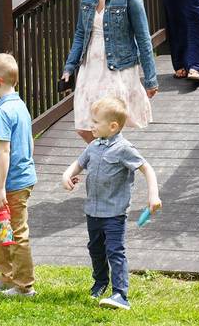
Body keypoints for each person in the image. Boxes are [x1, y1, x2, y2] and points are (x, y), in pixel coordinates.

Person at [62, 96, 162, 311]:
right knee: (95, 249)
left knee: (115, 251)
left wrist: (153, 195)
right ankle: (100, 282)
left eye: (96, 122)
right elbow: (79, 164)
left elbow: (147, 168)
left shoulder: (124, 149)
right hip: (93, 211)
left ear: (113, 126)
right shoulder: (93, 146)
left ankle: (120, 295)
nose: (91, 125)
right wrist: (67, 175)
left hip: (114, 213)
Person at [61, 0, 158, 143]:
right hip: (91, 65)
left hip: (117, 65)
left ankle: (110, 166)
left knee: (108, 123)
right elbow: (80, 34)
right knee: (84, 124)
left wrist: (150, 78)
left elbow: (143, 39)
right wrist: (69, 67)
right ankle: (106, 161)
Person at [0, 53, 38, 297]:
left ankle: (24, 286)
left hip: (13, 182)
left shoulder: (2, 113)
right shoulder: (20, 105)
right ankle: (7, 275)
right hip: (22, 178)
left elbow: (4, 152)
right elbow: (30, 141)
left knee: (17, 231)